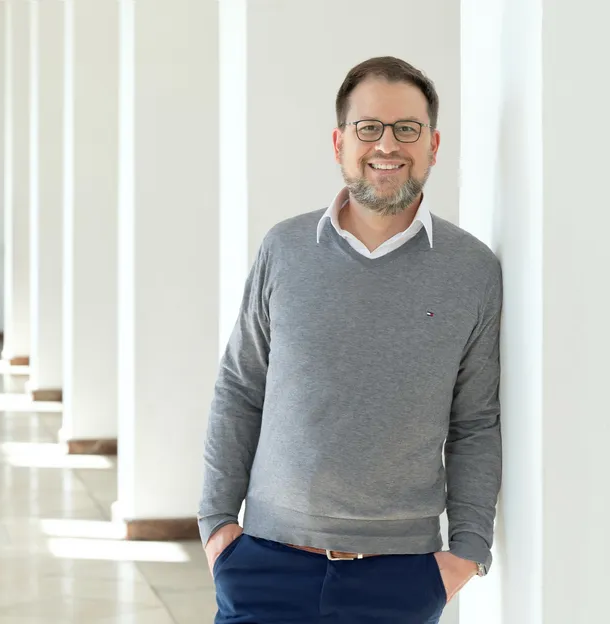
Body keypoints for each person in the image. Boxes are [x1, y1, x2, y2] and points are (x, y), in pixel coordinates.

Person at [198, 56, 503, 624]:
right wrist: (217, 526)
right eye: (369, 128)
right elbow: (240, 390)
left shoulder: (473, 271)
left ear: (433, 145)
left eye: (406, 128)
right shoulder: (283, 250)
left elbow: (475, 422)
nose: (387, 144)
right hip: (264, 561)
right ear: (340, 142)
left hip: (400, 575)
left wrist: (466, 552)